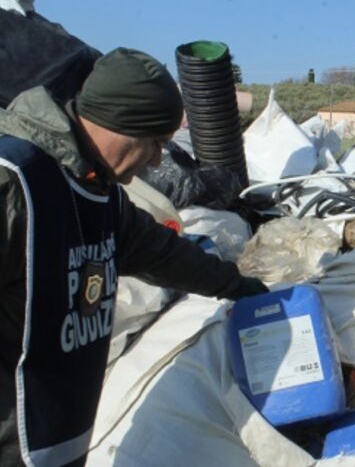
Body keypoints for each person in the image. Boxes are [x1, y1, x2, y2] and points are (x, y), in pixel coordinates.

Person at [0, 48, 268, 466]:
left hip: (53, 440)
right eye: (156, 142)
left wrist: (236, 285)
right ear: (120, 125)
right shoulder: (16, 184)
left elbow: (159, 252)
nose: (160, 159)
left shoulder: (97, 193)